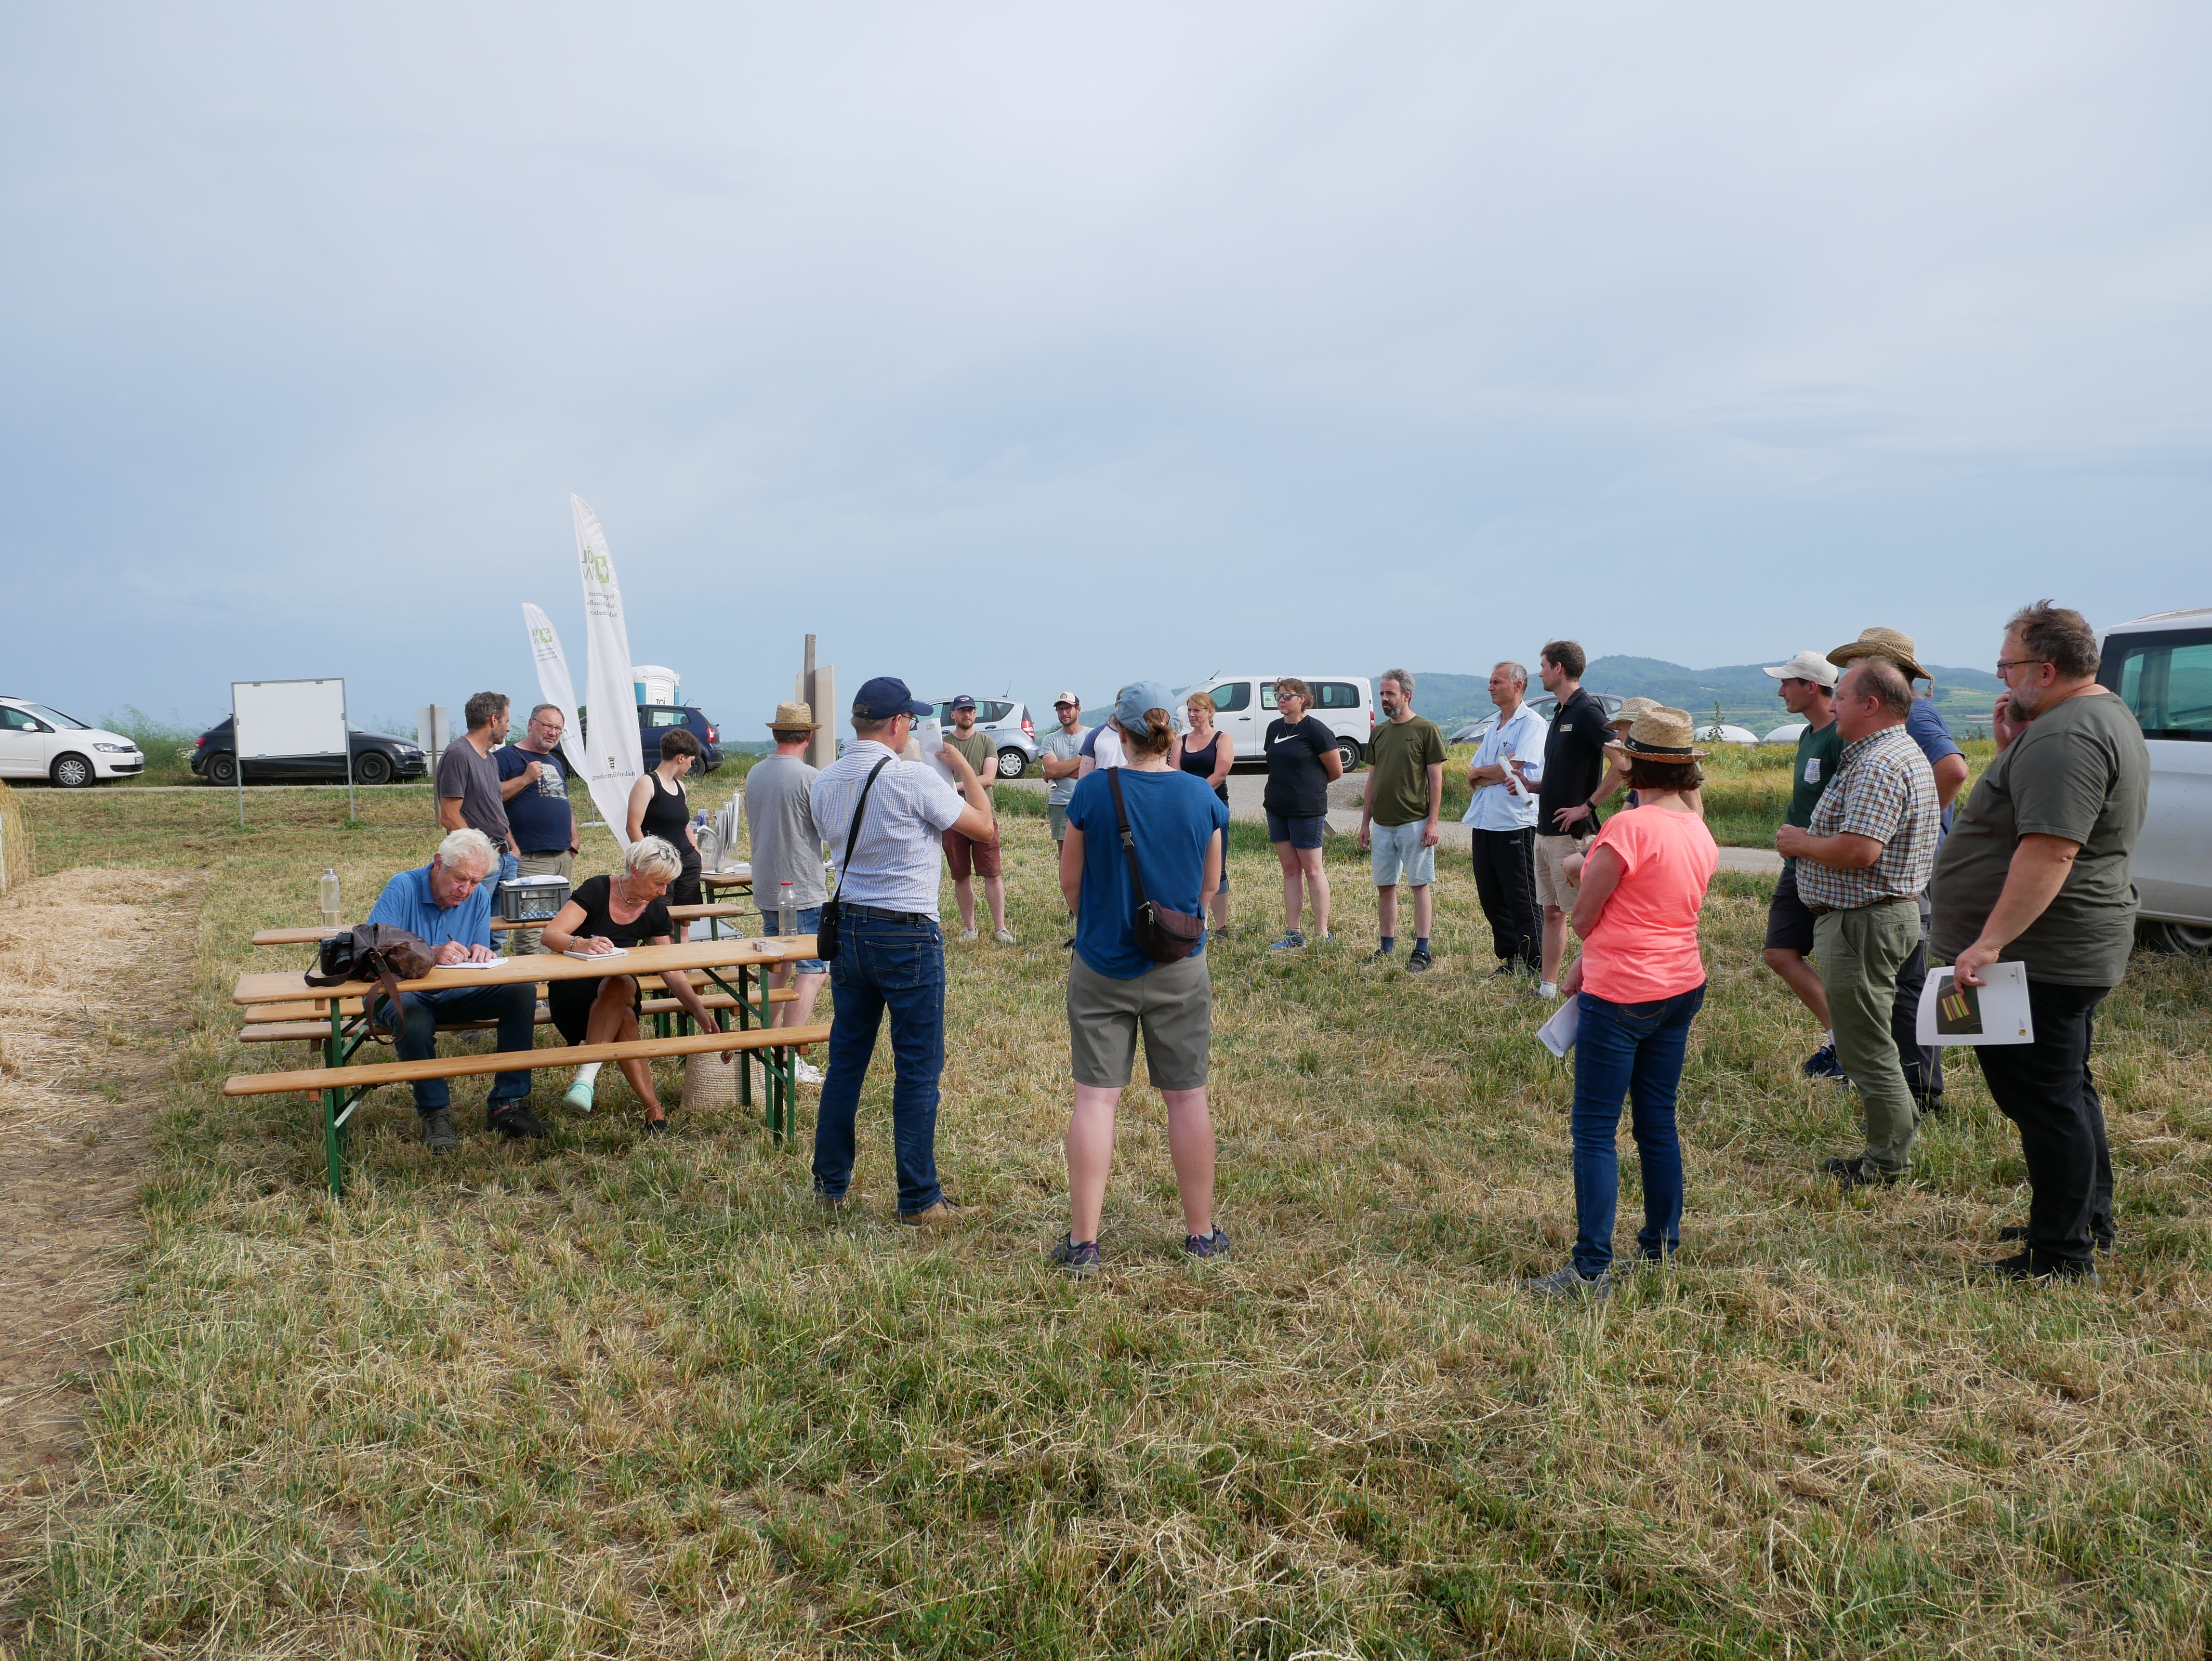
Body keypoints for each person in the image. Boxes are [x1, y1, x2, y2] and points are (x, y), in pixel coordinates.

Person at [1932, 601, 2147, 1281]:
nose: (2002, 675)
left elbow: (2050, 851)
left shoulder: (2066, 738)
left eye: (2008, 665)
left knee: (2044, 1102)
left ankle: (2060, 1254)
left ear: (2045, 670)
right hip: (2064, 947)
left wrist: (1989, 942)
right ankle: (2085, 1218)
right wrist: (2011, 753)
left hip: (2040, 955)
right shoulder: (2087, 719)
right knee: (2066, 1091)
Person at [1525, 707, 1719, 1299]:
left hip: (1623, 992)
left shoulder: (1628, 829)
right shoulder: (1695, 825)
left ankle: (1590, 1268)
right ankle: (1661, 1241)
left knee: (1593, 1130)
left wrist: (1579, 869)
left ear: (1632, 766)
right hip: (1681, 982)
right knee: (1656, 1120)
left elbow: (1583, 915)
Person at [1051, 681, 1232, 1275]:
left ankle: (1084, 1243)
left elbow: (1070, 883)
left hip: (1102, 962)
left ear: (1119, 733)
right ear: (1170, 732)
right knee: (1187, 1099)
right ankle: (1200, 1235)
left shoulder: (1092, 795)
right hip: (1179, 964)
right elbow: (1209, 887)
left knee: (1095, 1100)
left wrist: (1099, 924)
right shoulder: (1200, 798)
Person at [808, 676, 998, 1224]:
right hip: (907, 929)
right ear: (897, 724)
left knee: (847, 1060)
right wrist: (962, 768)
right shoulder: (912, 776)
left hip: (849, 930)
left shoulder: (825, 781)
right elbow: (983, 828)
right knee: (916, 1067)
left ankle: (831, 1182)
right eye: (909, 720)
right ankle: (918, 1197)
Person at [1777, 658, 1939, 1188]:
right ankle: (1891, 1143)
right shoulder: (1894, 753)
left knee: (1864, 1047)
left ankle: (1886, 1163)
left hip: (1861, 922)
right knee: (1874, 1039)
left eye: (1841, 696)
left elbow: (1859, 849)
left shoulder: (1877, 764)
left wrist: (1800, 844)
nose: (1833, 703)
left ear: (1870, 705)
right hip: (1875, 918)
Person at [1827, 627, 1972, 1115]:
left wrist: (1912, 827)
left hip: (1907, 870)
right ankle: (1906, 1083)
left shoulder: (1916, 711)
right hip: (1907, 867)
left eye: (1857, 662)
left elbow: (1952, 770)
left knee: (1905, 981)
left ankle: (1915, 1088)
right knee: (1903, 977)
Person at [363, 827, 543, 1152]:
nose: (467, 889)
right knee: (413, 1016)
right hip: (404, 995)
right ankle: (435, 1113)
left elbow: (476, 948)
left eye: (476, 881)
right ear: (438, 864)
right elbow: (374, 950)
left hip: (457, 992)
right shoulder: (403, 886)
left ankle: (508, 1104)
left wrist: (482, 952)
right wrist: (430, 953)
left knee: (522, 992)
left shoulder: (479, 897)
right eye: (461, 878)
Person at [539, 837, 728, 1135]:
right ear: (636, 871)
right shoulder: (597, 890)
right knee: (624, 1007)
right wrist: (582, 943)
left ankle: (588, 1080)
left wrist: (700, 1013)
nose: (664, 892)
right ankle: (651, 1111)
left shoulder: (654, 909)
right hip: (574, 991)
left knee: (621, 982)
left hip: (619, 990)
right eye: (658, 884)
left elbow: (671, 970)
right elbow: (550, 936)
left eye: (667, 885)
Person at [1757, 652, 1846, 1081]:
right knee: (1779, 952)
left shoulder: (1839, 737)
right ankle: (1842, 1038)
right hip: (1799, 864)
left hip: (1828, 867)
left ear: (1812, 686)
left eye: (1787, 683)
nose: (1781, 691)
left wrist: (1811, 843)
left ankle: (1850, 1048)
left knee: (1840, 964)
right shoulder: (1809, 735)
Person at [746, 701, 832, 1083]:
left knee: (778, 967)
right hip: (802, 887)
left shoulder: (754, 773)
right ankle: (790, 1052)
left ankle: (769, 1047)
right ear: (809, 736)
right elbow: (828, 830)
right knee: (814, 969)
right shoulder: (811, 777)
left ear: (775, 733)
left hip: (767, 883)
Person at [1533, 641, 1613, 999]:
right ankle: (1548, 987)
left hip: (1571, 832)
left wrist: (1587, 807)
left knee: (1581, 914)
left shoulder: (1587, 710)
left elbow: (1622, 765)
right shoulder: (1561, 711)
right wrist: (1533, 785)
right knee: (1551, 912)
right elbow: (1565, 771)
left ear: (1560, 668)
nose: (1540, 672)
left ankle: (1595, 983)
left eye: (1544, 666)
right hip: (1545, 829)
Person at [1356, 669, 1446, 970]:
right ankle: (1386, 947)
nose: (1384, 698)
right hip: (1382, 824)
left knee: (1419, 884)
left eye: (1390, 693)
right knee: (1385, 886)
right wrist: (1365, 822)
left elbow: (1436, 780)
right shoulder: (1379, 732)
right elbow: (1372, 780)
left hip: (1414, 822)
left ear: (1406, 695)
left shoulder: (1426, 729)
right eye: (1382, 693)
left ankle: (1422, 950)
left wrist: (1433, 823)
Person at [1462, 661, 1548, 976]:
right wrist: (1492, 773)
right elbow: (1477, 774)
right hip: (1485, 819)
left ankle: (1536, 961)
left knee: (1522, 894)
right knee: (1491, 894)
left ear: (1518, 686)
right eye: (1490, 682)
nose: (1490, 687)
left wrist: (1492, 772)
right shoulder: (1495, 725)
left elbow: (1514, 768)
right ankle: (1511, 958)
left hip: (1515, 821)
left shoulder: (1533, 725)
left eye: (1496, 682)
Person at [1263, 676, 1343, 950]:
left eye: (1288, 696)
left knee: (1312, 869)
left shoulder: (1316, 730)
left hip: (1307, 810)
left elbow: (1335, 771)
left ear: (1303, 699)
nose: (1282, 700)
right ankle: (1294, 934)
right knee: (1290, 870)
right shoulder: (1274, 728)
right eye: (1279, 696)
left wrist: (1309, 789)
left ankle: (1322, 933)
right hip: (1277, 808)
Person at [495, 703, 579, 955]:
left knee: (557, 928)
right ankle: (532, 991)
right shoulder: (505, 758)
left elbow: (561, 798)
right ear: (531, 725)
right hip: (530, 857)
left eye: (558, 729)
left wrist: (574, 837)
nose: (553, 733)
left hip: (562, 856)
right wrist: (526, 779)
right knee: (531, 931)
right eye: (548, 726)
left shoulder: (556, 761)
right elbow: (491, 800)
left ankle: (551, 988)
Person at [939, 694, 1011, 944]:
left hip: (983, 816)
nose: (967, 714)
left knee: (992, 872)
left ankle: (1000, 928)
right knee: (961, 875)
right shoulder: (943, 744)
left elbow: (989, 778)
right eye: (962, 710)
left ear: (976, 714)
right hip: (952, 816)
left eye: (970, 710)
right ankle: (970, 929)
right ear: (953, 715)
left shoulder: (987, 742)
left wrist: (954, 787)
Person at [1172, 690, 1237, 936]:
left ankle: (1222, 926)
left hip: (1213, 806)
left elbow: (1221, 773)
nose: (1192, 715)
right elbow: (1175, 773)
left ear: (1210, 712)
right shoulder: (1180, 741)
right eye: (1189, 710)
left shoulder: (1223, 739)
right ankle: (1199, 923)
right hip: (1185, 809)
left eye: (1196, 710)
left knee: (1217, 867)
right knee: (1191, 865)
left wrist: (1197, 794)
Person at [435, 692, 517, 883]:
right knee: (475, 914)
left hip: (506, 860)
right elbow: (449, 816)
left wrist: (513, 849)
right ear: (494, 720)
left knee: (503, 915)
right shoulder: (459, 755)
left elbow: (494, 810)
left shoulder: (490, 759)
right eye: (506, 721)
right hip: (481, 865)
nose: (509, 729)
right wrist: (482, 856)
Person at [627, 728, 703, 907]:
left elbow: (684, 825)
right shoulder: (647, 783)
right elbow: (633, 827)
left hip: (687, 861)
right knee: (661, 920)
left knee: (685, 921)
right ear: (681, 758)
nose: (692, 766)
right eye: (691, 761)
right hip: (661, 865)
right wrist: (650, 862)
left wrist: (696, 852)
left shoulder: (680, 786)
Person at [1039, 692, 1087, 848]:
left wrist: (1060, 770)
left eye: (1068, 708)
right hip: (1060, 803)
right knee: (1065, 853)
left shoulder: (1092, 735)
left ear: (1078, 710)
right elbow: (1051, 769)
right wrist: (1085, 760)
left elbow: (1097, 772)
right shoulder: (1050, 739)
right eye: (1060, 709)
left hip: (1088, 802)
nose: (1064, 713)